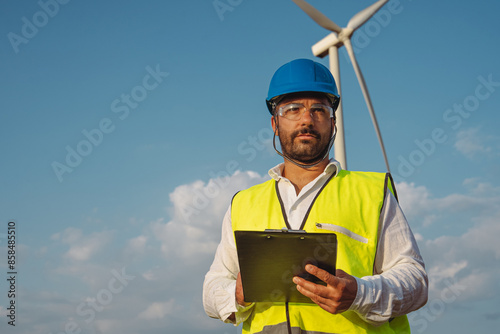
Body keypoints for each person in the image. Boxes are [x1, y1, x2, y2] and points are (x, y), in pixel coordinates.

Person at [203, 58, 428, 333]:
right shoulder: (243, 204)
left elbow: (416, 281)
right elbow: (212, 289)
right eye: (293, 109)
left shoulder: (371, 193)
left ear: (333, 123)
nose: (307, 120)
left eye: (319, 110)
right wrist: (237, 294)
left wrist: (360, 294)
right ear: (275, 123)